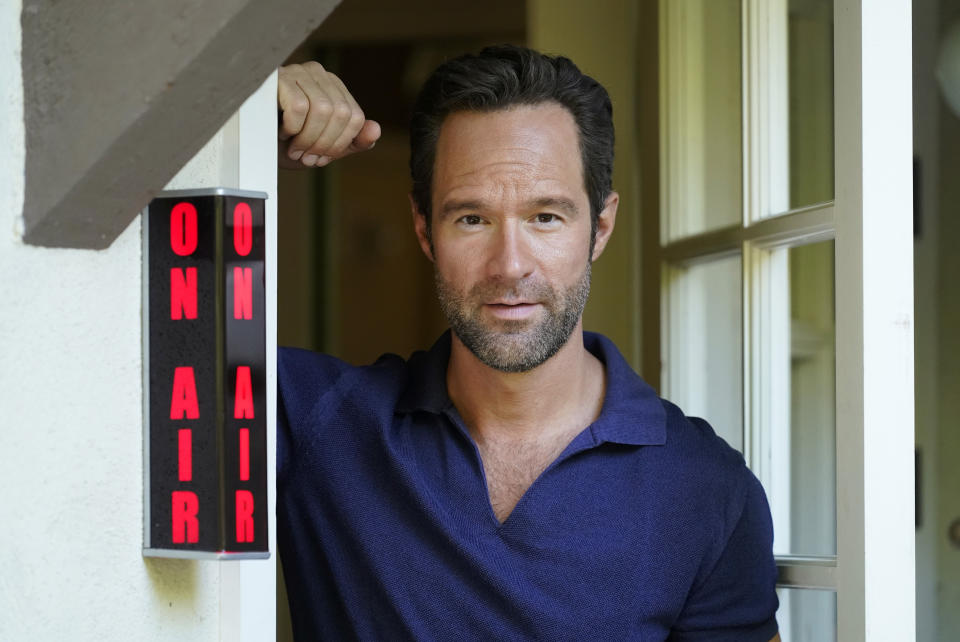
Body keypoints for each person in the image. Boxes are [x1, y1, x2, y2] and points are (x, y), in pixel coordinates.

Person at [276, 45, 780, 641]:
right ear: (423, 229)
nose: (510, 265)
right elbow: (148, 329)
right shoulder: (316, 420)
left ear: (601, 226)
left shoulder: (707, 488)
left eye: (546, 217)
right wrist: (243, 116)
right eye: (472, 219)